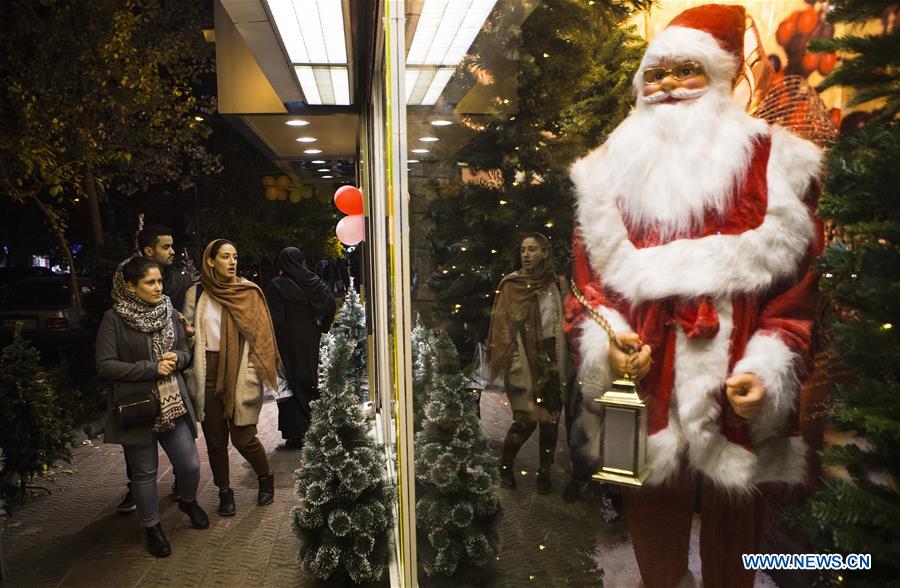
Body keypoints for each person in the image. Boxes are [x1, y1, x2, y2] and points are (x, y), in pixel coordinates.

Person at [564, 5, 822, 587]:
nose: (667, 87)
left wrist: (767, 366)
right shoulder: (606, 173)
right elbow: (587, 284)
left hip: (737, 378)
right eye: (655, 74)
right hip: (647, 380)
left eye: (687, 70)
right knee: (653, 513)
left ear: (720, 76)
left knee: (739, 524)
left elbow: (796, 295)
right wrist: (612, 344)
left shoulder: (777, 165)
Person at [95, 256, 208, 558]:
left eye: (159, 281)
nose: (158, 287)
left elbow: (185, 351)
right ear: (131, 287)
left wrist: (178, 360)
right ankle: (152, 527)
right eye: (150, 282)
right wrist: (151, 368)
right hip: (137, 406)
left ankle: (187, 500)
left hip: (173, 401)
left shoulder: (169, 312)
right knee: (144, 472)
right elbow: (105, 365)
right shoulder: (114, 319)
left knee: (190, 464)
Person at [182, 239, 279, 516]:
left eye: (235, 256)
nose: (232, 261)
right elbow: (188, 338)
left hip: (239, 371)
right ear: (210, 261)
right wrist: (187, 334)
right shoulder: (196, 294)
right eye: (225, 256)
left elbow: (262, 338)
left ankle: (265, 477)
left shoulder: (247, 292)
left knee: (243, 437)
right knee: (215, 441)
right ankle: (224, 492)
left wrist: (252, 371)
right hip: (207, 372)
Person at [116, 225, 193, 513]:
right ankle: (136, 492)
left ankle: (181, 486)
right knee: (140, 459)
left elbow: (178, 325)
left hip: (171, 385)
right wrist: (149, 365)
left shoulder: (175, 279)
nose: (172, 252)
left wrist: (183, 341)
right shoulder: (127, 276)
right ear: (149, 250)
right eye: (166, 247)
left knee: (186, 458)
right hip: (138, 387)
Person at [488, 233, 569, 494]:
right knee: (525, 420)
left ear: (545, 253)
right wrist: (510, 365)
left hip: (552, 359)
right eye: (523, 249)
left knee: (551, 420)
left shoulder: (556, 283)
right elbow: (501, 330)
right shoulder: (512, 285)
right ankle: (505, 467)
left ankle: (544, 473)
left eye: (532, 249)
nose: (526, 255)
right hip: (523, 359)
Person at [265, 247, 336, 448]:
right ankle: (314, 426)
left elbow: (275, 319)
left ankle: (296, 433)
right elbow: (330, 303)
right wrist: (322, 327)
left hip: (287, 342)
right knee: (308, 378)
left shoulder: (277, 285)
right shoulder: (313, 281)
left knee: (290, 383)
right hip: (310, 338)